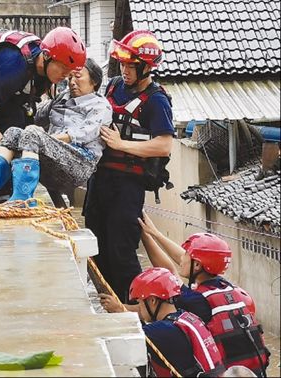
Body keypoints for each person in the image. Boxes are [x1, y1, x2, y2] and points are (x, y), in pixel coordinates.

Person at [83, 30, 174, 303]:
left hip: (127, 186)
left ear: (146, 67)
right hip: (99, 180)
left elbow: (163, 145)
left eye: (131, 66)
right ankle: (107, 304)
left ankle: (136, 309)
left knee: (121, 252)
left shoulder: (156, 100)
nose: (124, 70)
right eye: (122, 64)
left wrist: (122, 145)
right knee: (96, 248)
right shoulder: (111, 86)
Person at [0, 58, 112, 208]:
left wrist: (46, 138)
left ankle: (22, 198)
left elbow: (85, 133)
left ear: (94, 81)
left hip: (80, 162)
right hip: (53, 159)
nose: (72, 81)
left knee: (33, 133)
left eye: (78, 76)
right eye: (70, 77)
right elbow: (35, 115)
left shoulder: (101, 106)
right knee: (13, 132)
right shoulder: (62, 98)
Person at [136, 210, 270, 377]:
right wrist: (155, 233)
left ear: (198, 266)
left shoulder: (197, 301)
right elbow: (185, 261)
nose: (182, 258)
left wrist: (146, 236)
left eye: (186, 255)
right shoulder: (226, 288)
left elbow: (169, 273)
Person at [129, 267, 225, 377]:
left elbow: (128, 338)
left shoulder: (161, 330)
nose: (139, 308)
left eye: (140, 302)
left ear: (152, 300)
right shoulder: (187, 317)